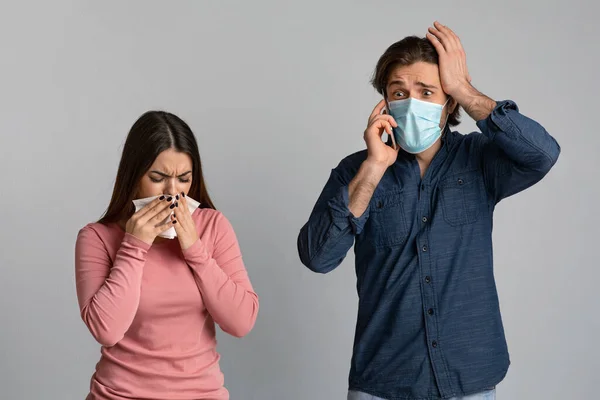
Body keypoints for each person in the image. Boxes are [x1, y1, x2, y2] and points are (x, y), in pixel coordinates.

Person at [297, 22, 560, 400]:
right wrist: (373, 168)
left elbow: (543, 154)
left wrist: (465, 89)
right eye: (399, 92)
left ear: (448, 102)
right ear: (385, 102)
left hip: (468, 378)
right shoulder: (356, 171)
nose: (411, 102)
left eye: (427, 92)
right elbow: (318, 257)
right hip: (384, 381)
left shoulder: (479, 160)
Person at [75, 111, 259, 400]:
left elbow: (241, 322)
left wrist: (195, 249)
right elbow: (106, 330)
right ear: (134, 177)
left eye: (184, 179)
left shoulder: (213, 226)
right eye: (158, 178)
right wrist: (134, 245)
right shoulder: (97, 237)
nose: (173, 193)